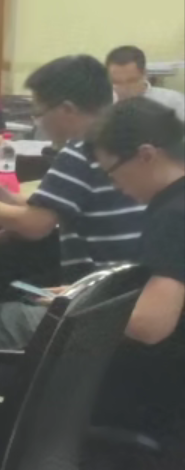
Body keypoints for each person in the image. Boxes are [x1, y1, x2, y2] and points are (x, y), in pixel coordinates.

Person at [0, 55, 141, 281]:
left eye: (38, 113)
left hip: (96, 289)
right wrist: (10, 199)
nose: (39, 123)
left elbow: (34, 225)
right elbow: (66, 206)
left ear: (67, 110)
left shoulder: (80, 150)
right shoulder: (125, 142)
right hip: (131, 281)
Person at [90, 98, 185, 349]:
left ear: (146, 155)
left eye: (112, 173)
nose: (115, 185)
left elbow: (149, 325)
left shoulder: (174, 217)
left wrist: (78, 307)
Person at [106, 45, 185, 121]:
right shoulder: (104, 104)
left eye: (131, 81)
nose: (124, 88)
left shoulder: (172, 101)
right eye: (116, 82)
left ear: (144, 73)